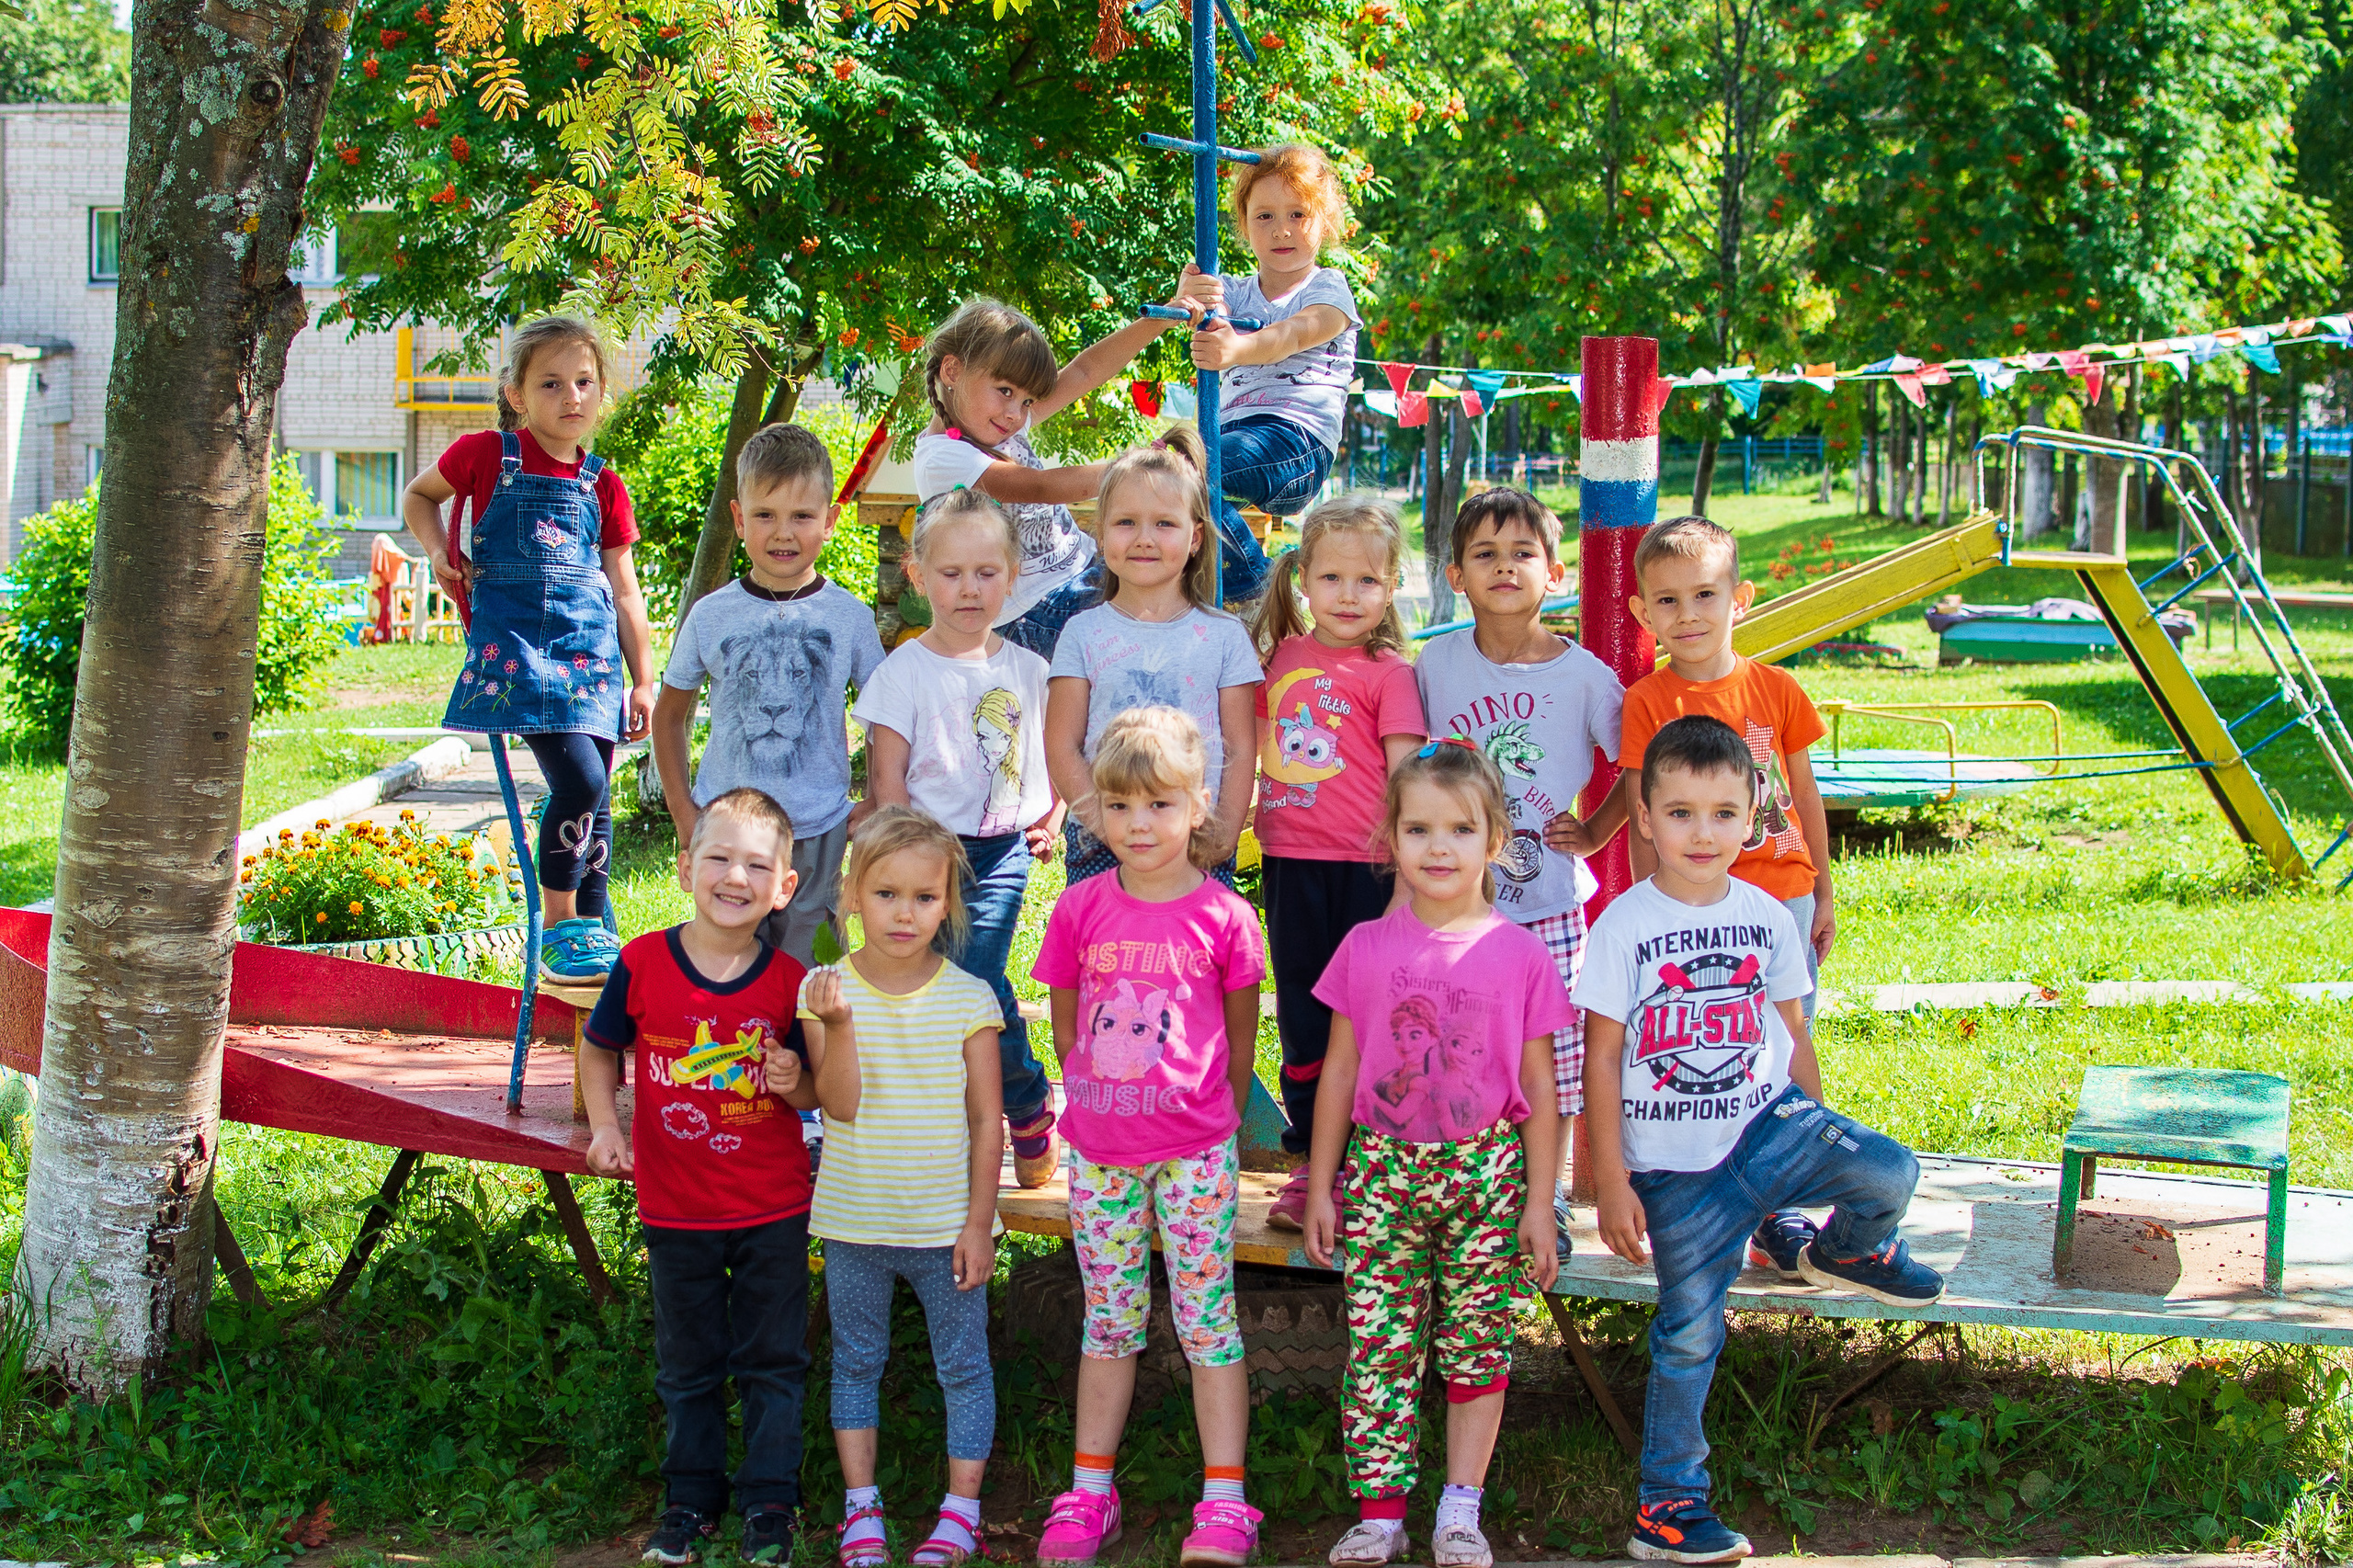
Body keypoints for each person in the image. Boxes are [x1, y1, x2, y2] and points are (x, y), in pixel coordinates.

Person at [1579, 716, 1942, 1564]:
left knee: (1889, 1170)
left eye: (1721, 813)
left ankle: (1844, 1250)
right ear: (1644, 816)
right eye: (1678, 813)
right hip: (1676, 1174)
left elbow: (1794, 1036)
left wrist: (1818, 1125)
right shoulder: (1623, 927)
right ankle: (1667, 1507)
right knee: (1690, 1332)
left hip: (1768, 1130)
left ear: (1753, 818)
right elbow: (1598, 1061)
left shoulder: (1766, 917)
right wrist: (1612, 1180)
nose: (1701, 833)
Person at [1300, 741, 1566, 1568]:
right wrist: (1321, 1183)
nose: (1439, 847)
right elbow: (1339, 1070)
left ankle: (1459, 1508)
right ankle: (1380, 1512)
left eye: (1460, 828)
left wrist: (1538, 1203)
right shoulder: (1365, 949)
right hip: (1380, 1173)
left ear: (1495, 841)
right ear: (1391, 839)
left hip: (1486, 1176)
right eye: (1419, 829)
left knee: (1477, 1340)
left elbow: (1541, 1092)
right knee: (1380, 1343)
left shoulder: (1520, 955)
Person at [1029, 708, 1268, 1568]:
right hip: (1100, 1156)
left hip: (1199, 1154)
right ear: (1098, 810)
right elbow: (1063, 1020)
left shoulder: (1226, 916)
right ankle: (1090, 1491)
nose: (1141, 825)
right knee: (1110, 1320)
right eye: (1123, 807)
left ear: (1199, 806)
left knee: (1210, 1324)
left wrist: (1217, 1116)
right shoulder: (1081, 907)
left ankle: (1227, 1500)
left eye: (1161, 806)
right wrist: (1097, 1098)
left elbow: (1241, 1038)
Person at [578, 787, 820, 1566]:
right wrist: (608, 1127)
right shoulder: (642, 961)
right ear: (685, 867)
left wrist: (792, 1080)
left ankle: (771, 1503)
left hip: (773, 1206)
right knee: (687, 1364)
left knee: (773, 1359)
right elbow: (597, 1048)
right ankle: (689, 1500)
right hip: (675, 1207)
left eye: (757, 865)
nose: (734, 877)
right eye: (718, 857)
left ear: (785, 886)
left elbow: (819, 1092)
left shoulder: (792, 983)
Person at [1612, 515, 1838, 1279]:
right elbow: (1644, 816)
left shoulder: (1777, 689)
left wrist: (1827, 893)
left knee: (1785, 1046)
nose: (1689, 615)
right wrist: (1657, 904)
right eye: (1668, 601)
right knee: (1713, 1056)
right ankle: (1714, 1195)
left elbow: (1804, 797)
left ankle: (1790, 1203)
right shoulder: (1647, 701)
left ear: (1739, 598)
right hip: (1697, 913)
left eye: (1705, 594)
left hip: (1784, 896)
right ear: (1644, 614)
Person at [402, 314, 656, 983]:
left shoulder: (603, 483)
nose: (571, 397)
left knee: (597, 798)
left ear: (602, 391)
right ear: (516, 394)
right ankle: (560, 926)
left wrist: (644, 679)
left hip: (592, 658)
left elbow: (625, 592)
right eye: (551, 383)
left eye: (583, 382)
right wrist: (437, 551)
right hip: (518, 656)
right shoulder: (487, 455)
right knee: (581, 782)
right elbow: (419, 496)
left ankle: (593, 928)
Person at [1414, 488, 1626, 1229]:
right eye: (1485, 555)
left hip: (1551, 905)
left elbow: (1637, 763)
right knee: (1457, 1044)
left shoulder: (1586, 675)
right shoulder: (1435, 665)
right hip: (1452, 907)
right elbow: (1407, 765)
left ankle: (1551, 1200)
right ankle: (1466, 1186)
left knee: (1558, 1057)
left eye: (1523, 554)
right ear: (1455, 577)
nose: (1505, 567)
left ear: (1555, 573)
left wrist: (1597, 831)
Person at [801, 807, 1007, 1568]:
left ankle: (962, 1511)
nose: (905, 912)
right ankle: (861, 1510)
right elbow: (841, 1104)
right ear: (852, 893)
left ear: (949, 904)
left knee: (963, 1363)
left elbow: (989, 1122)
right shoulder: (825, 992)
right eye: (886, 893)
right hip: (854, 1223)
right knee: (856, 1361)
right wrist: (840, 1024)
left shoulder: (969, 999)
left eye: (925, 897)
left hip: (945, 1228)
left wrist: (979, 1223)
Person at [857, 487, 1066, 1187]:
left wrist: (1053, 815)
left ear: (1011, 577)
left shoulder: (1031, 672)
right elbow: (887, 782)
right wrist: (894, 867)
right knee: (924, 989)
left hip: (999, 852)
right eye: (951, 573)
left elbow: (1058, 751)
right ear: (920, 579)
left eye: (986, 572)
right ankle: (937, 1126)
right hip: (922, 856)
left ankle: (1026, 1100)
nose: (970, 588)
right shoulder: (901, 674)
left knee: (973, 976)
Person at [1246, 495, 1427, 1230]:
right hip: (1291, 864)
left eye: (1366, 582)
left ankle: (1366, 1166)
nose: (1348, 596)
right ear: (1304, 581)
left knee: (1370, 1020)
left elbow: (1408, 781)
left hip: (1368, 872)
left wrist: (1408, 880)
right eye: (1332, 579)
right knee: (1303, 1018)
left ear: (1388, 590)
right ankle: (1307, 1164)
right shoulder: (1279, 660)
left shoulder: (1390, 674)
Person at [653, 423, 887, 968]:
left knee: (812, 971)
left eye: (802, 516)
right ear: (738, 520)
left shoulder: (849, 617)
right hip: (727, 831)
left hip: (817, 829)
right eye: (765, 515)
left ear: (830, 521)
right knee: (725, 962)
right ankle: (731, 1056)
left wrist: (876, 796)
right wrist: (685, 813)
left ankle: (807, 1057)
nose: (784, 533)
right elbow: (669, 719)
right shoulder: (711, 615)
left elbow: (882, 717)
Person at [914, 287, 1214, 657]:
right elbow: (1041, 487)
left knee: (1189, 548)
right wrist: (1134, 472)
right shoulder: (943, 456)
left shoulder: (995, 421)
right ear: (952, 371)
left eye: (1025, 401)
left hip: (1083, 572)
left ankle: (1252, 601)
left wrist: (1158, 320)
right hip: (1038, 612)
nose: (1016, 412)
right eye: (1005, 390)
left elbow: (1086, 371)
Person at [1044, 429, 1261, 887]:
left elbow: (1241, 748)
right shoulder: (1083, 633)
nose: (1144, 538)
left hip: (1197, 843)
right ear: (1100, 534)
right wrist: (1105, 827)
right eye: (1126, 522)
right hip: (1103, 847)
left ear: (1195, 537)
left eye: (1164, 523)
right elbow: (1062, 745)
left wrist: (1223, 835)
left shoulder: (1225, 637)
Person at [1188, 142, 1366, 608]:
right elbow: (1205, 308)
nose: (1281, 229)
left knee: (1190, 465)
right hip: (1232, 435)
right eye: (1264, 216)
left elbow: (1289, 336)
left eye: (1298, 215)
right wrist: (1191, 293)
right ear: (1243, 224)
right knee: (1170, 471)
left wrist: (1237, 347)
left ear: (1324, 223)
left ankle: (1257, 583)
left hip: (1295, 443)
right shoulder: (1232, 290)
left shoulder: (1329, 289)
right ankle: (1216, 586)